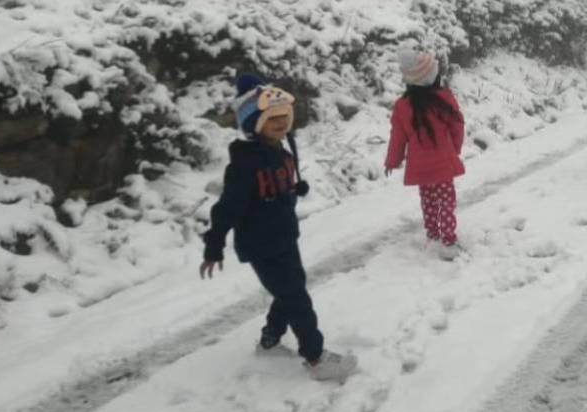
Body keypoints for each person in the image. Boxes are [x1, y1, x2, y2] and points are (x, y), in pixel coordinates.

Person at [200, 73, 357, 381]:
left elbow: (275, 187)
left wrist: (292, 190)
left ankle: (270, 341)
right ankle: (315, 358)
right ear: (254, 124)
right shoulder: (244, 166)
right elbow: (227, 208)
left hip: (285, 236)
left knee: (291, 289)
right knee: (297, 298)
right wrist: (214, 244)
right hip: (260, 245)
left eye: (286, 117)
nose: (283, 124)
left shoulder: (281, 152)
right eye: (274, 120)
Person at [385, 48, 467, 260]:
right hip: (442, 164)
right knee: (446, 201)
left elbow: (398, 137)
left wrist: (392, 161)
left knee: (429, 201)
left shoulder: (402, 106)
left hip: (420, 167)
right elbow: (458, 126)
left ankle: (433, 234)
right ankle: (448, 240)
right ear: (432, 77)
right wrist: (454, 149)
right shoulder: (445, 99)